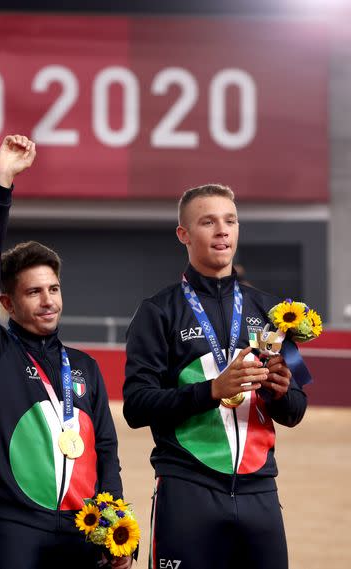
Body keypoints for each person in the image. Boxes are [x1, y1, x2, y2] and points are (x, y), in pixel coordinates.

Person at [0, 135, 132, 569]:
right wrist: (2, 184)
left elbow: (107, 452)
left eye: (53, 289)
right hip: (17, 527)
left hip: (84, 528)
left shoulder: (86, 368)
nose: (48, 300)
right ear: (7, 303)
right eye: (33, 292)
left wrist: (114, 524)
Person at [123, 184, 308, 569]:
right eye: (208, 222)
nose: (223, 230)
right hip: (187, 491)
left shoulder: (274, 312)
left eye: (230, 220)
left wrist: (279, 392)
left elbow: (296, 409)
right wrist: (211, 390)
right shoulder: (157, 312)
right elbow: (136, 407)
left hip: (260, 492)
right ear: (184, 235)